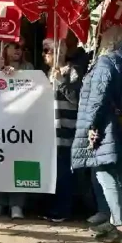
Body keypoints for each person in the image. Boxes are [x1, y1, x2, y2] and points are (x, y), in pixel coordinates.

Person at [72, 25, 122, 242]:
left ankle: (121, 228)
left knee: (106, 175)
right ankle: (119, 222)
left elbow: (97, 97)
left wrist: (92, 125)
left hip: (104, 126)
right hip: (116, 124)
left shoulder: (105, 62)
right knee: (117, 175)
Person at [0, 38, 34, 219]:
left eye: (21, 47)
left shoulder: (28, 67)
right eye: (13, 46)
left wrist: (18, 76)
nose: (17, 51)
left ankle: (17, 204)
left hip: (20, 124)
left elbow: (33, 88)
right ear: (5, 47)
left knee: (19, 163)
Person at [42, 34, 89, 222]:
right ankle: (52, 207)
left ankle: (63, 210)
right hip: (49, 132)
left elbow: (77, 99)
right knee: (54, 172)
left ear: (59, 52)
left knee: (64, 172)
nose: (45, 54)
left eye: (48, 50)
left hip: (66, 129)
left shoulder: (73, 71)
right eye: (44, 50)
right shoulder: (44, 75)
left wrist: (61, 81)